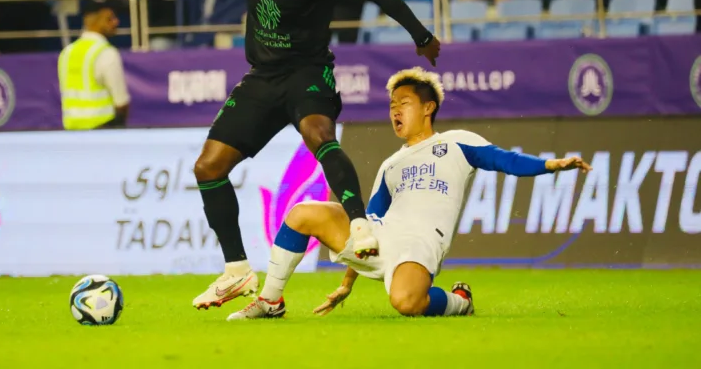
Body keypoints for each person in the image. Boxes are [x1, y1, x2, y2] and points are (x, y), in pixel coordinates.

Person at [166, 0, 441, 310]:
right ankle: (236, 272)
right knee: (208, 167)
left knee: (317, 135)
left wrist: (421, 35)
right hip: (262, 78)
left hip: (307, 74)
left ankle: (359, 225)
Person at [226, 67, 592, 321]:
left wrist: (550, 165)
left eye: (404, 103)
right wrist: (347, 281)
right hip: (384, 237)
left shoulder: (457, 143)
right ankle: (269, 301)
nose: (395, 111)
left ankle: (459, 301)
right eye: (391, 105)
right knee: (304, 212)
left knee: (405, 301)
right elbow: (364, 225)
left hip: (421, 242)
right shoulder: (391, 164)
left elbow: (505, 160)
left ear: (428, 107)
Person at [58, 0, 130, 129]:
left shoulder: (67, 52)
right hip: (102, 128)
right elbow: (121, 101)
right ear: (92, 22)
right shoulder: (106, 52)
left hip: (72, 130)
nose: (116, 22)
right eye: (109, 19)